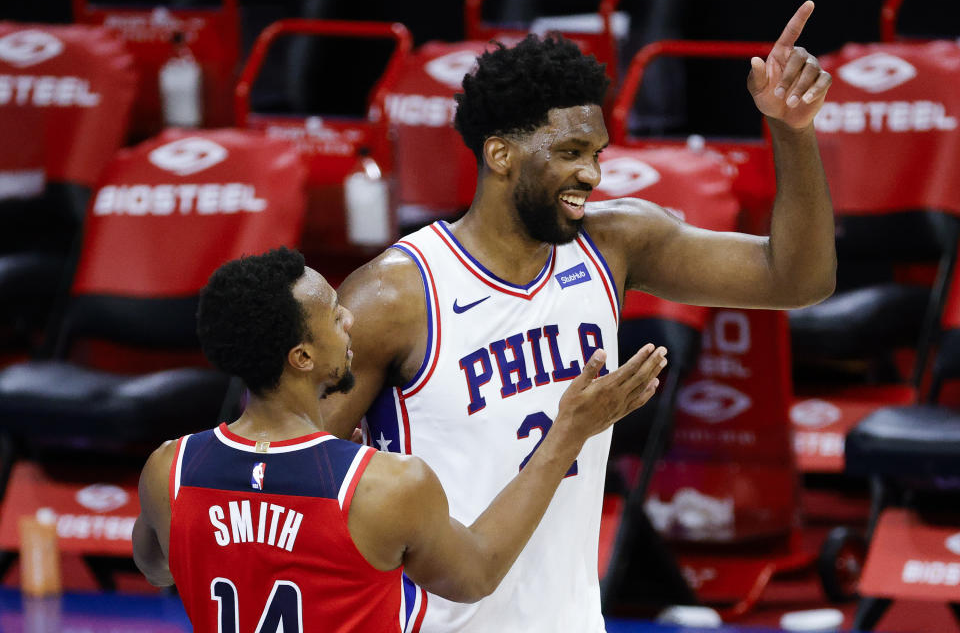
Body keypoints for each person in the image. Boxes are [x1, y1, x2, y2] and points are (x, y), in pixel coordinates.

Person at [320, 0, 836, 632]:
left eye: (597, 151)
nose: (591, 173)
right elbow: (283, 475)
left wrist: (792, 128)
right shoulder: (394, 296)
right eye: (569, 152)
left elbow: (799, 280)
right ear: (501, 154)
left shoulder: (614, 242)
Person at [131, 247, 666, 632]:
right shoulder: (381, 486)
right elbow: (476, 574)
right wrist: (567, 433)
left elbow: (157, 566)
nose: (350, 321)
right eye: (334, 316)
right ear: (302, 358)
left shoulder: (168, 469)